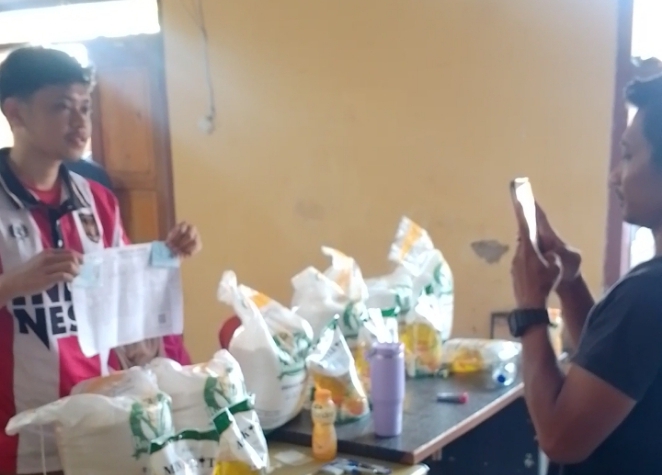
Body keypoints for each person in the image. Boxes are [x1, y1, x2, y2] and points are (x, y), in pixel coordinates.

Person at [0, 46, 202, 475]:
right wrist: (12, 284)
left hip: (102, 423)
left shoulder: (97, 199)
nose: (80, 122)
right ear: (15, 113)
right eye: (61, 107)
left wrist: (163, 259)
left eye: (85, 107)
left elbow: (117, 292)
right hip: (18, 439)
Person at [509, 73, 662, 474]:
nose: (615, 175)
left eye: (628, 155)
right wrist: (571, 285)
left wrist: (529, 310)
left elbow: (558, 438)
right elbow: (613, 370)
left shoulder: (646, 295)